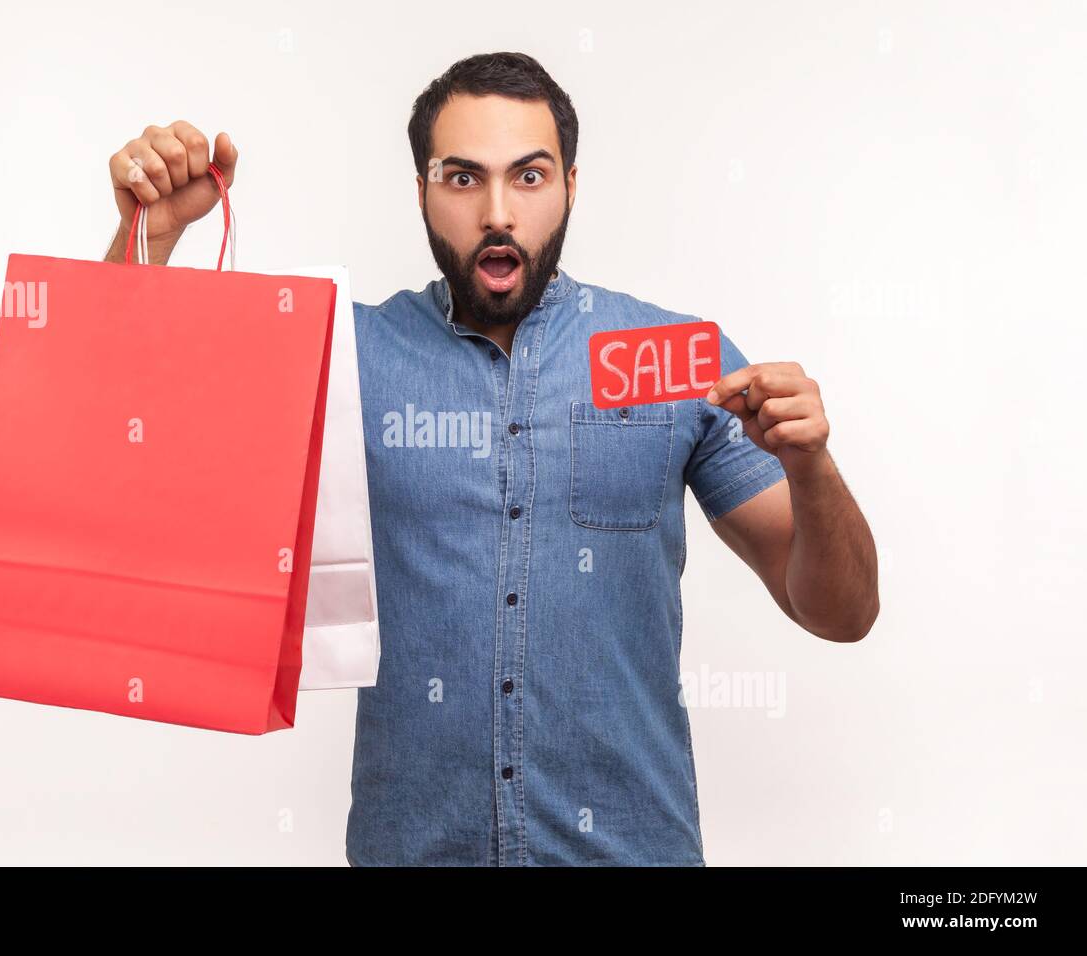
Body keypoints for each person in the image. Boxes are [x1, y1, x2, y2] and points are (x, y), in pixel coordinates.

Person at [102, 51, 879, 866]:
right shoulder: (347, 360)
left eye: (530, 177)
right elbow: (128, 443)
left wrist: (812, 467)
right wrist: (147, 236)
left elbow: (843, 612)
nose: (498, 212)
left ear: (572, 186)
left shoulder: (677, 361)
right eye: (464, 178)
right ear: (422, 192)